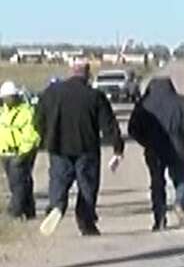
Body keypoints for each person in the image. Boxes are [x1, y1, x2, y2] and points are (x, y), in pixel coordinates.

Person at [35, 61, 124, 236]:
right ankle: (85, 221)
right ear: (88, 75)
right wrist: (117, 148)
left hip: (58, 146)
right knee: (87, 187)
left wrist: (46, 138)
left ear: (71, 72)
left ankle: (56, 206)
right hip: (87, 148)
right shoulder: (95, 96)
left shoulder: (51, 93)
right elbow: (108, 125)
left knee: (59, 181)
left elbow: (38, 118)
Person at [128, 77, 184, 231]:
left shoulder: (144, 104)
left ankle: (159, 218)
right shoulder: (182, 102)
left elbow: (132, 129)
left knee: (157, 184)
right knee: (182, 180)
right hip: (178, 147)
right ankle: (180, 204)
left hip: (154, 149)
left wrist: (145, 141)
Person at [0, 81, 40, 219]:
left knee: (18, 183)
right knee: (21, 181)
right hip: (5, 153)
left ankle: (15, 211)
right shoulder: (3, 112)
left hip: (21, 152)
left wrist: (23, 152)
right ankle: (29, 210)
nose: (7, 100)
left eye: (9, 97)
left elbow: (31, 133)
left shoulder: (26, 111)